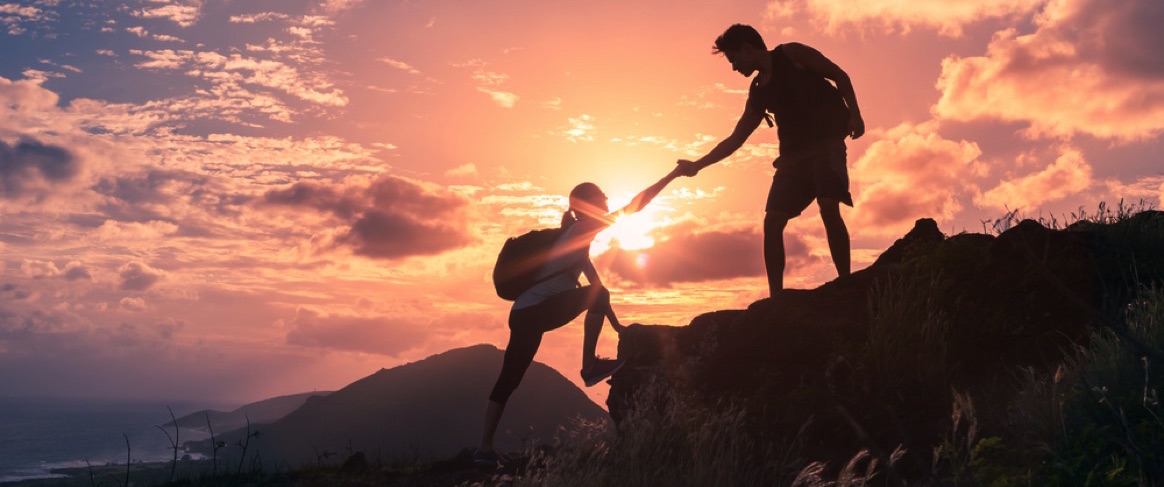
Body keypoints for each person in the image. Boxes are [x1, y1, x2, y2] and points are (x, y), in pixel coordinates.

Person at [475, 165, 685, 466]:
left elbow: (596, 288)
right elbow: (634, 207)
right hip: (534, 312)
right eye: (601, 195)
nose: (607, 197)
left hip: (524, 313)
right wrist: (671, 176)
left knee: (508, 380)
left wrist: (616, 326)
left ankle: (483, 449)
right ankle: (588, 367)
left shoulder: (576, 240)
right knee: (510, 378)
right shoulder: (581, 229)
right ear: (588, 204)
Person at [676, 23, 865, 296]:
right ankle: (776, 298)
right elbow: (735, 139)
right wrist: (697, 165)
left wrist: (855, 114)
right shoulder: (758, 91)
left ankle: (846, 283)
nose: (733, 67)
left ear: (747, 48)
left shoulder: (792, 54)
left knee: (828, 206)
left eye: (733, 59)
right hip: (792, 160)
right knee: (773, 222)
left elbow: (839, 75)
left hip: (827, 145)